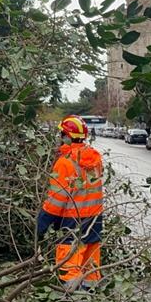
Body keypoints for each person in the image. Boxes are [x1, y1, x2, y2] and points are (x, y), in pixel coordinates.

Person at [37, 115, 104, 290]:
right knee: (91, 265)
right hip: (95, 219)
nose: (60, 137)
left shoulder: (65, 163)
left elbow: (57, 200)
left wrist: (42, 224)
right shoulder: (95, 159)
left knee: (70, 267)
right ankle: (92, 301)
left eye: (61, 133)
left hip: (72, 222)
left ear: (67, 136)